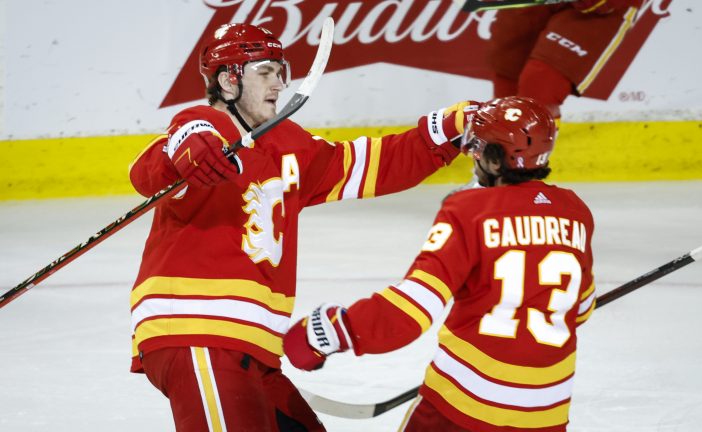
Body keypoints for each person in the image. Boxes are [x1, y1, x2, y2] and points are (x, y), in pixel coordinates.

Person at [128, 23, 478, 431]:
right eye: (265, 73)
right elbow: (150, 168)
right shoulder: (206, 130)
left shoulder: (289, 146)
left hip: (254, 351)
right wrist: (189, 143)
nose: (278, 83)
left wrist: (449, 129)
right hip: (197, 333)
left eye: (280, 71)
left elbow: (379, 164)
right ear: (228, 81)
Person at [285, 96, 596, 431]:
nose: (473, 157)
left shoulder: (470, 211)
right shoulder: (575, 210)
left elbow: (410, 311)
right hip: (547, 414)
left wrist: (330, 330)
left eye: (477, 148)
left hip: (462, 409)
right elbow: (582, 307)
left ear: (494, 160)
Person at [488, 0, 642, 119]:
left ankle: (525, 157)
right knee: (508, 72)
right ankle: (499, 155)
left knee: (541, 84)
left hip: (596, 12)